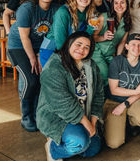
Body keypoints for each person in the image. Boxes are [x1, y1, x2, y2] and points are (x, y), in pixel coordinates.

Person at [37, 31, 104, 161]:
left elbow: (99, 95)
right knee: (78, 143)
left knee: (93, 148)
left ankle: (71, 141)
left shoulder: (91, 66)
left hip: (84, 114)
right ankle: (53, 149)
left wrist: (93, 122)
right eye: (78, 44)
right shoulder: (54, 66)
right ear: (69, 44)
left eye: (86, 47)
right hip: (57, 116)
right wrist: (86, 123)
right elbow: (62, 103)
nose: (81, 49)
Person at [7, 0, 59, 132]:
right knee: (30, 79)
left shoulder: (56, 9)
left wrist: (39, 55)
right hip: (17, 47)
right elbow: (24, 37)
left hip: (39, 47)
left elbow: (53, 36)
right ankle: (26, 116)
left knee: (41, 79)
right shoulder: (27, 8)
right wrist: (32, 59)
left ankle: (37, 113)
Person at [103, 33, 140, 149]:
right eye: (133, 44)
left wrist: (125, 104)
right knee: (114, 143)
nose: (136, 48)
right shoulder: (117, 61)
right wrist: (136, 91)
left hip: (133, 100)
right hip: (113, 101)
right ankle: (116, 122)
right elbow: (114, 90)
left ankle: (130, 121)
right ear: (126, 46)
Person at [39, 0, 96, 67]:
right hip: (51, 51)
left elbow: (84, 38)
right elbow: (60, 43)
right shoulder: (63, 12)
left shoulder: (88, 13)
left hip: (70, 52)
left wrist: (91, 28)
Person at [92, 0, 132, 96]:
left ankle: (110, 97)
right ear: (112, 5)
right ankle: (102, 99)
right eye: (116, 3)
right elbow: (92, 38)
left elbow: (122, 43)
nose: (119, 6)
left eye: (122, 3)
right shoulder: (103, 17)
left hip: (110, 54)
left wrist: (118, 60)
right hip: (97, 51)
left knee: (116, 72)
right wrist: (103, 37)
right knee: (105, 74)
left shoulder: (127, 21)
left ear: (127, 5)